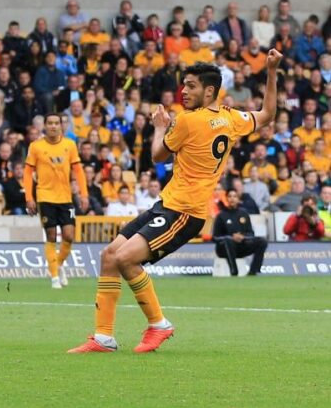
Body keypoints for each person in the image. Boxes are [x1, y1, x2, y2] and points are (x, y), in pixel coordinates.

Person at [69, 50, 282, 354]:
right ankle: (103, 337)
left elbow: (157, 155)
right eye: (184, 85)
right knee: (109, 255)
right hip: (167, 205)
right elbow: (268, 114)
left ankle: (159, 324)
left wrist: (159, 126)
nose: (184, 91)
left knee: (125, 259)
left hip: (184, 211)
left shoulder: (188, 121)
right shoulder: (231, 118)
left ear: (209, 91)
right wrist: (271, 71)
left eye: (191, 86)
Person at [24, 113, 88, 290]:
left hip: (65, 198)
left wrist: (84, 194)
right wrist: (29, 198)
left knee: (69, 236)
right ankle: (54, 278)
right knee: (51, 236)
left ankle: (57, 265)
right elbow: (28, 173)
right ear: (45, 126)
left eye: (56, 123)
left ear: (61, 126)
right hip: (45, 197)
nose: (53, 126)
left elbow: (78, 171)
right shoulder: (36, 146)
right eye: (50, 123)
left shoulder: (69, 145)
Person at [213, 189, 267, 276]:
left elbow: (251, 233)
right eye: (230, 196)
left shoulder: (244, 214)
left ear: (238, 199)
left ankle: (253, 271)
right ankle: (234, 271)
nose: (232, 199)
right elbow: (215, 237)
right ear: (226, 199)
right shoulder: (221, 215)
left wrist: (243, 237)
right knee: (228, 241)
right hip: (224, 248)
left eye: (234, 196)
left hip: (241, 246)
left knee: (262, 241)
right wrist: (231, 238)